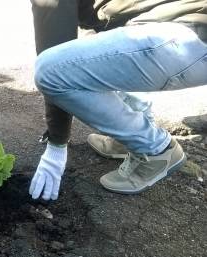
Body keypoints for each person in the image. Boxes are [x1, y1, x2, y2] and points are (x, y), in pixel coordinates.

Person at [29, 0, 207, 200]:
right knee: (97, 51)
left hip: (192, 33)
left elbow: (54, 45)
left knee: (49, 72)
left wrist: (57, 142)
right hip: (174, 24)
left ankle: (156, 149)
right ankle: (128, 140)